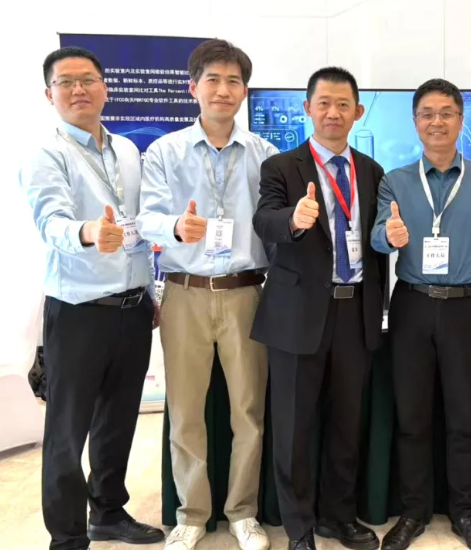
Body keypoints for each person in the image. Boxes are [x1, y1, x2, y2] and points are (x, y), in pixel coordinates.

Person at [20, 46, 164, 550]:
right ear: (50, 94)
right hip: (79, 311)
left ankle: (108, 513)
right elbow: (51, 221)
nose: (78, 89)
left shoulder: (127, 151)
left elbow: (141, 226)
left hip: (133, 309)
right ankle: (67, 536)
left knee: (117, 422)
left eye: (88, 79)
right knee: (67, 430)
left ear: (106, 87)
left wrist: (150, 290)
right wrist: (87, 233)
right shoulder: (47, 154)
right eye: (66, 82)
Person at [137, 39, 277, 550]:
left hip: (246, 294)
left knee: (248, 413)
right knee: (186, 412)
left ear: (244, 91)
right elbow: (146, 218)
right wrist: (176, 226)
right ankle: (191, 514)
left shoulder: (265, 154)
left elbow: (275, 222)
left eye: (233, 81)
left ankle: (243, 513)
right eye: (212, 80)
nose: (223, 90)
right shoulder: (165, 151)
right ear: (192, 87)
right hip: (185, 293)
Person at [371, 78, 471, 550]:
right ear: (415, 122)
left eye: (447, 113)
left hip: (467, 307)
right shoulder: (395, 180)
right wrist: (387, 236)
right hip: (412, 305)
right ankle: (413, 513)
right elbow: (376, 236)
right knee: (412, 416)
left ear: (460, 120)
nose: (437, 122)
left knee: (464, 417)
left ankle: (464, 513)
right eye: (427, 114)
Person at [251, 67, 386, 550]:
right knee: (293, 428)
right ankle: (299, 528)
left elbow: (376, 238)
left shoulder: (371, 171)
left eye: (343, 104)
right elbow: (264, 220)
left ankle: (338, 517)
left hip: (355, 312)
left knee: (346, 424)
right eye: (323, 103)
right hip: (297, 314)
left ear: (358, 111)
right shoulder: (281, 167)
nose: (333, 113)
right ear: (307, 108)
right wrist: (294, 218)